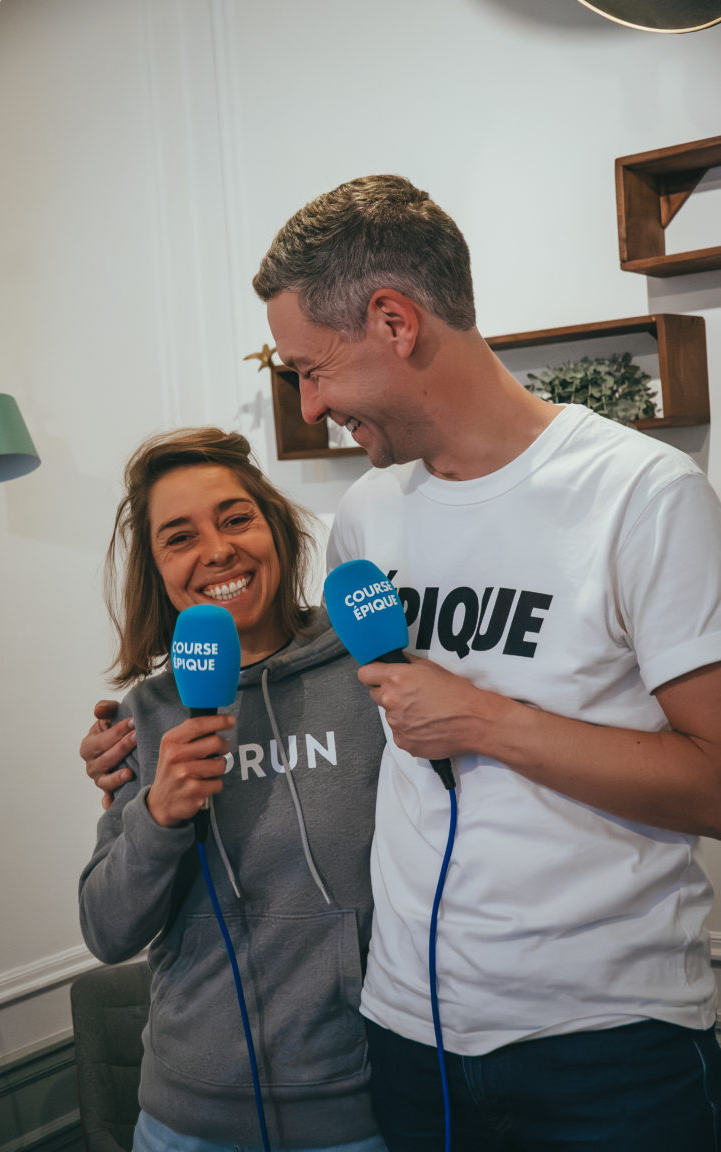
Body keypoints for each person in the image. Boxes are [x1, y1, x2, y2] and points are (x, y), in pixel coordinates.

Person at [249, 174, 721, 1151]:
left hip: (613, 1048)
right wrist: (158, 733)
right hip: (406, 1035)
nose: (311, 403)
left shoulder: (644, 495)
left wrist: (485, 720)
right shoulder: (367, 518)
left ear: (394, 321)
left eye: (312, 369)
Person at [78, 427, 387, 1152]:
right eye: (179, 537)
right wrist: (158, 816)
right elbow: (106, 930)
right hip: (186, 1118)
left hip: (363, 1104)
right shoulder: (142, 719)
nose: (217, 550)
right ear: (157, 569)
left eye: (236, 518)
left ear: (275, 526)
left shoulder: (371, 671)